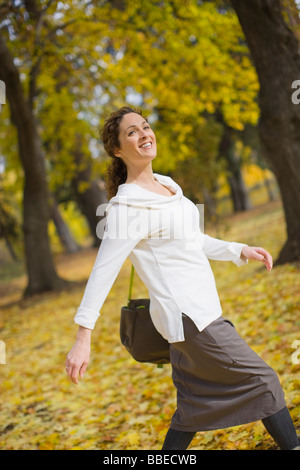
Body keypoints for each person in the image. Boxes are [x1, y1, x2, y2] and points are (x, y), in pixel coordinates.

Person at [66, 106, 299, 450]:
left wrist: (238, 250)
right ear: (117, 150)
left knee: (190, 410)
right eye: (132, 132)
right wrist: (83, 337)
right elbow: (104, 271)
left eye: (145, 127)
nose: (144, 134)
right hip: (189, 318)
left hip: (201, 311)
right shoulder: (126, 209)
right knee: (264, 380)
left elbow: (194, 240)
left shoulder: (168, 185)